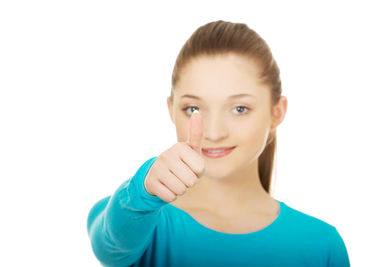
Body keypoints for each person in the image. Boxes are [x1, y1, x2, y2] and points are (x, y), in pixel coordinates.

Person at [87, 20, 350, 267]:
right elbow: (109, 246)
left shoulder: (322, 246)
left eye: (239, 108)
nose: (213, 132)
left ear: (276, 112)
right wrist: (145, 188)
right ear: (171, 110)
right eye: (193, 108)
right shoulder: (143, 223)